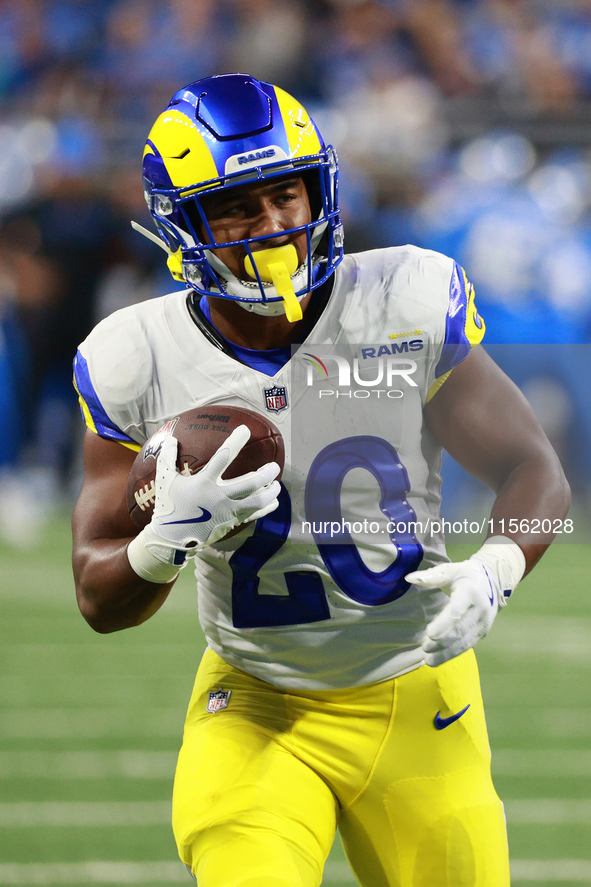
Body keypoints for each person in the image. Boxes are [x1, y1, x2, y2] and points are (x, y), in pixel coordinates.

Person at [72, 74, 571, 887]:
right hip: (257, 701)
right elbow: (97, 594)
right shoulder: (135, 354)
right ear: (183, 224)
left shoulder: (402, 296)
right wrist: (161, 543)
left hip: (418, 691)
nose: (272, 226)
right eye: (236, 206)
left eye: (287, 194)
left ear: (320, 191)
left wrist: (499, 567)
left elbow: (534, 471)